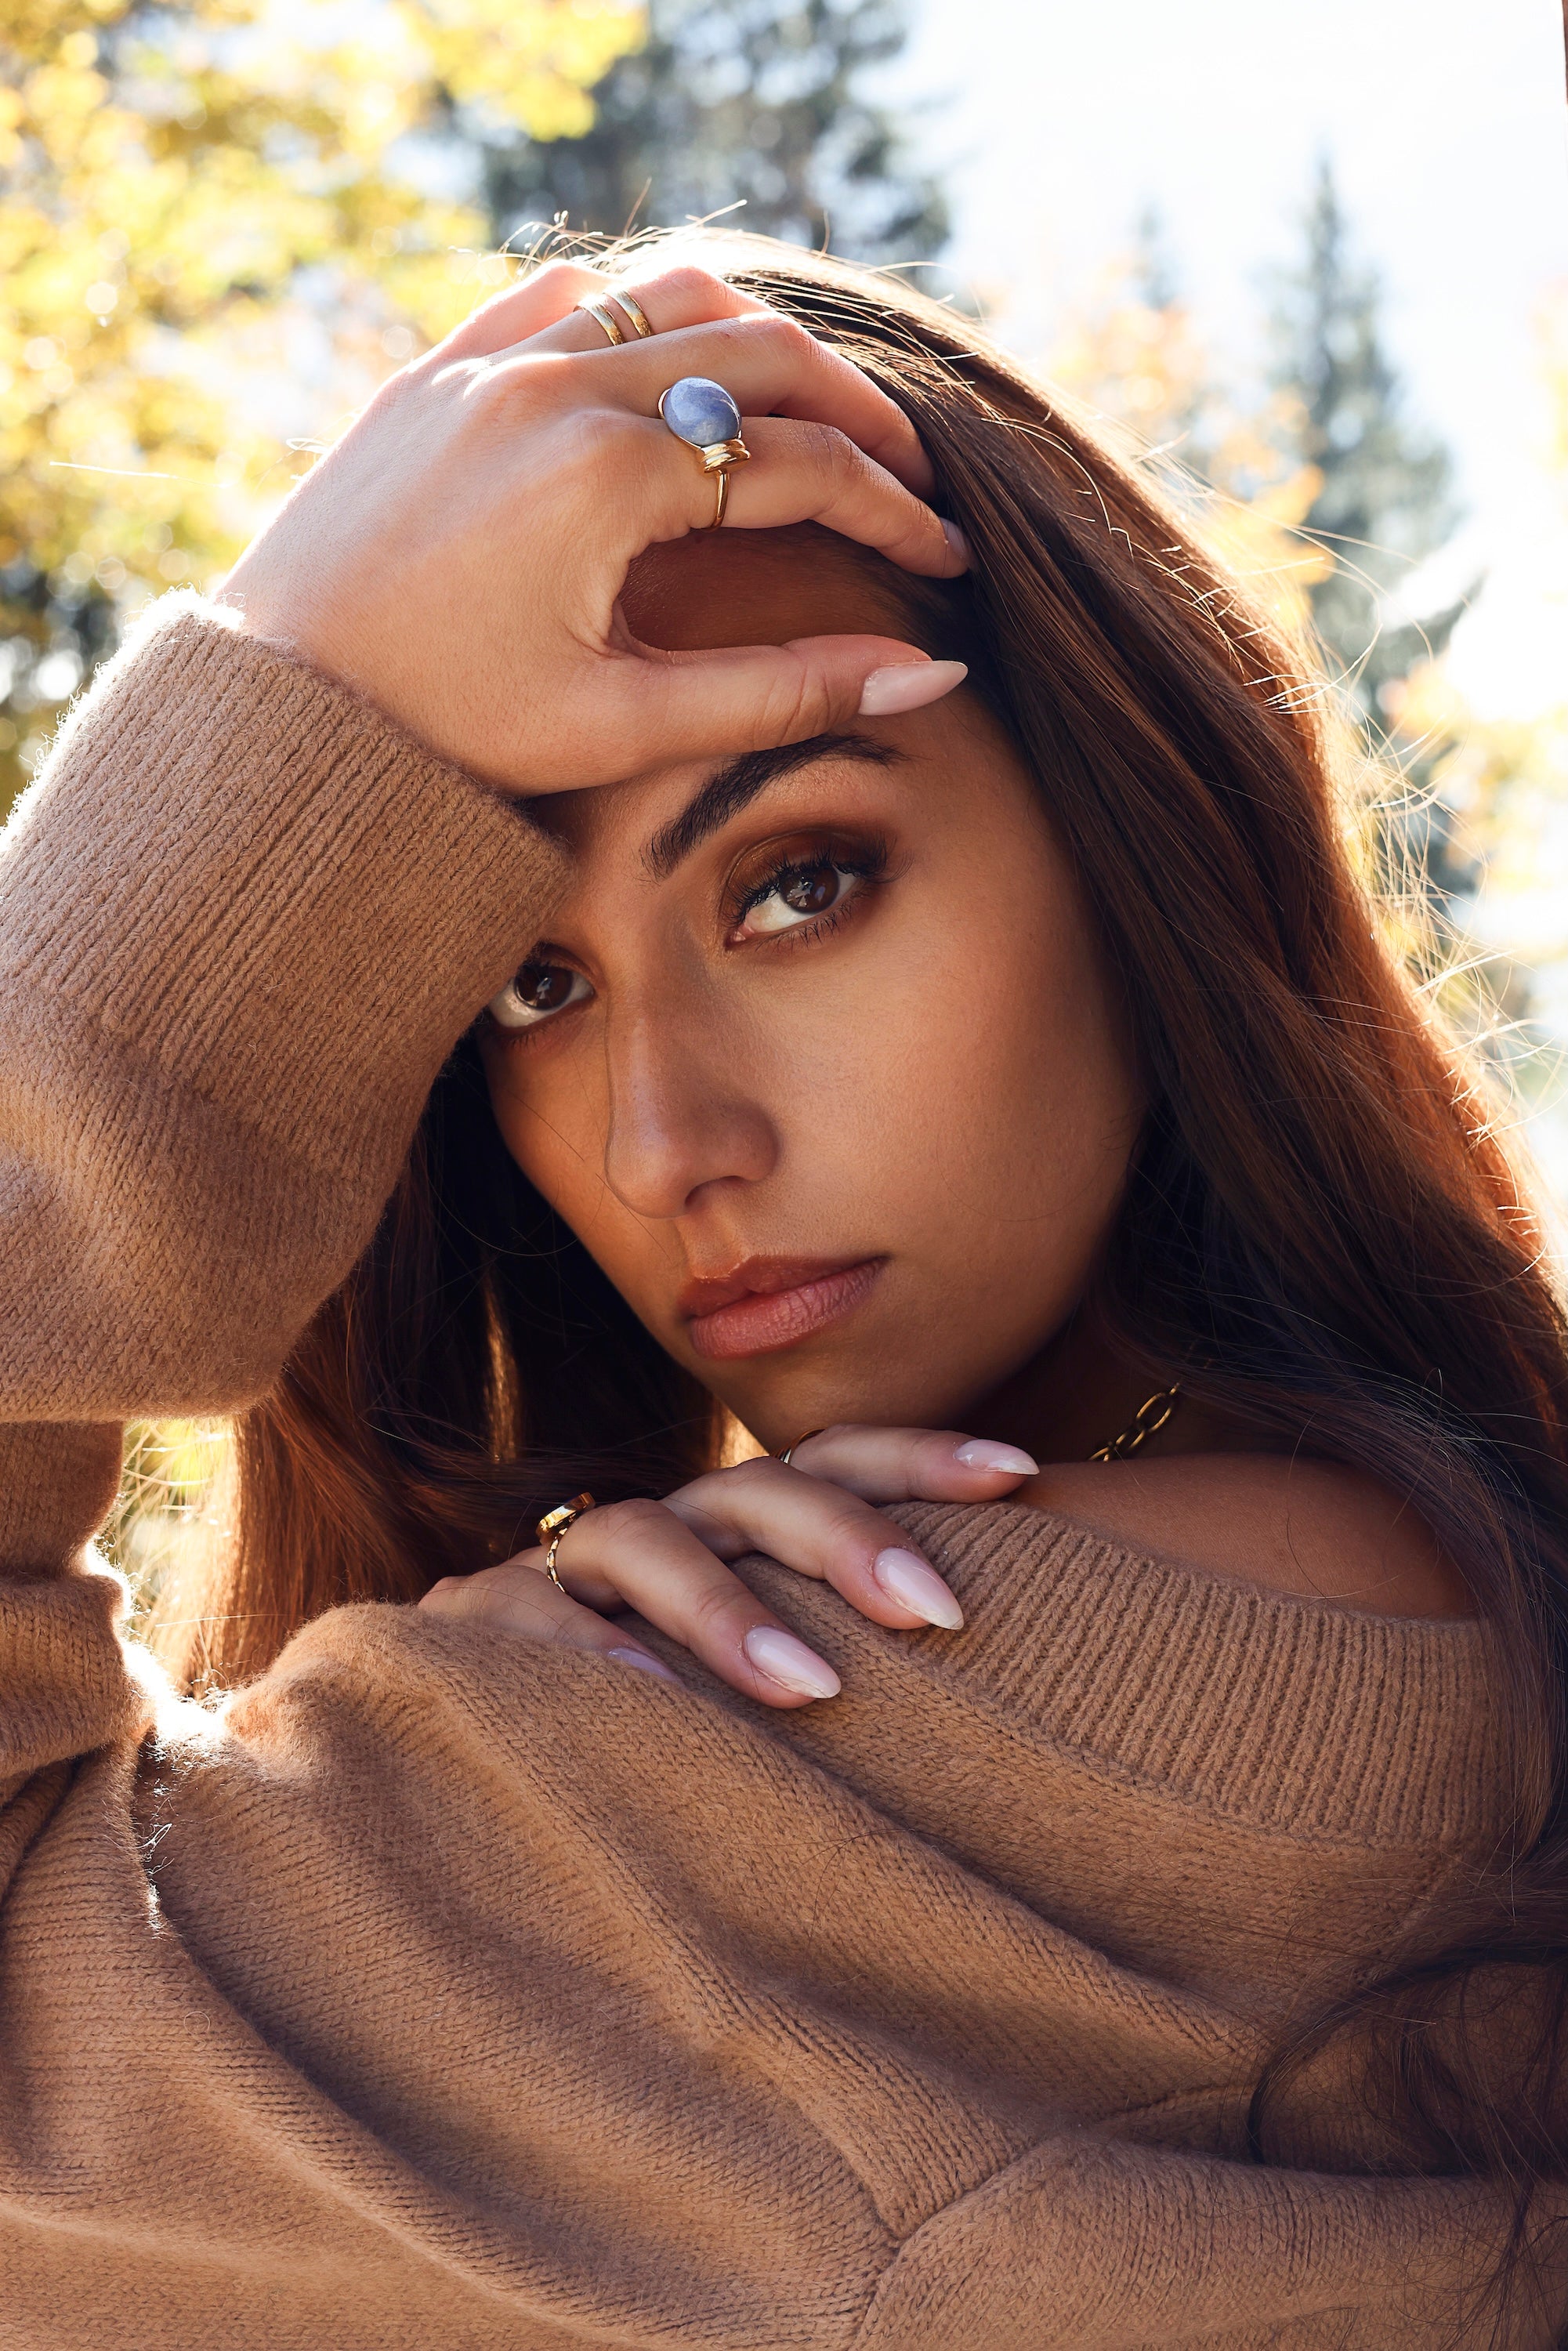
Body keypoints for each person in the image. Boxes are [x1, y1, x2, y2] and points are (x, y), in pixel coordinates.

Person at [2, 234, 1566, 2347]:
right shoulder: (1426, 1594)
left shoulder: (1035, 1683)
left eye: (800, 881)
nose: (660, 1143)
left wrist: (273, 729)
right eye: (529, 984)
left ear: (1135, 849)